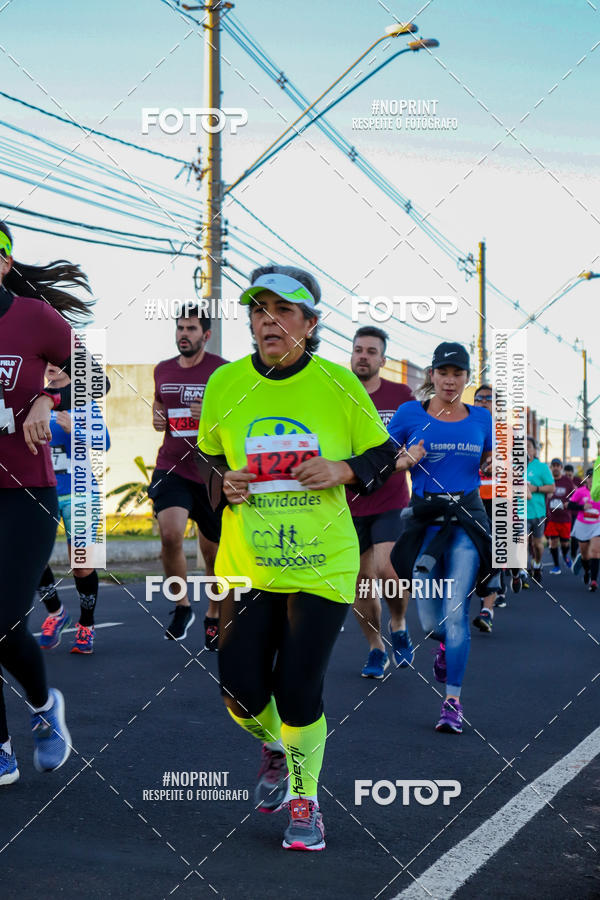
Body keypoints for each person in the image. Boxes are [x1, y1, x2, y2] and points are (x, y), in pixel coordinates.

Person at [196, 265, 410, 851]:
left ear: (310, 324)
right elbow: (206, 458)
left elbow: (384, 453)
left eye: (283, 311)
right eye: (259, 311)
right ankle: (274, 744)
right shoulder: (225, 384)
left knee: (297, 689)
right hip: (247, 562)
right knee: (240, 694)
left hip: (322, 561)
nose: (268, 321)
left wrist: (343, 469)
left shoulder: (340, 385)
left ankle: (304, 800)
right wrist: (225, 481)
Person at [0, 221, 101, 783]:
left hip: (25, 494)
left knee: (2, 620)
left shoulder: (35, 319)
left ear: (6, 264)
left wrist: (46, 396)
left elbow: (97, 378)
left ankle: (44, 709)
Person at [389, 342, 497, 735]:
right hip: (425, 521)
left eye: (458, 373)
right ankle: (442, 646)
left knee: (455, 615)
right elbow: (381, 458)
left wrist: (490, 460)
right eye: (444, 372)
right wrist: (404, 461)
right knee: (431, 619)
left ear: (467, 378)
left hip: (467, 519)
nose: (451, 380)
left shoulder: (481, 418)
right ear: (431, 375)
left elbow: (490, 458)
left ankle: (452, 701)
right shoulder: (409, 414)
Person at [149, 305, 227, 644]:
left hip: (211, 471)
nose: (184, 333)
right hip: (173, 466)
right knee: (170, 535)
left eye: (191, 328)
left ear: (205, 335)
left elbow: (237, 421)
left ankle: (213, 612)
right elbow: (159, 404)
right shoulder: (162, 369)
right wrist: (156, 415)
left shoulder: (223, 372)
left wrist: (211, 415)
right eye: (180, 328)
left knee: (213, 554)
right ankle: (182, 605)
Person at [348, 326, 415, 677]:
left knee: (386, 570)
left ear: (382, 359)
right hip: (349, 501)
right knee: (361, 581)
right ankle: (375, 649)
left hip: (390, 496)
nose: (363, 356)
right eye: (359, 349)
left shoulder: (401, 395)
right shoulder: (340, 392)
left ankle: (399, 622)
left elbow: (413, 440)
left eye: (371, 351)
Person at [37, 364, 111, 654]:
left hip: (80, 492)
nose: (51, 368)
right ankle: (56, 613)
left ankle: (86, 625)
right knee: (32, 558)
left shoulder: (84, 401)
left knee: (80, 566)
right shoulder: (35, 399)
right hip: (41, 491)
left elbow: (104, 442)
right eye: (48, 363)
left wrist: (74, 428)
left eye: (58, 363)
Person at [471, 384, 500, 628]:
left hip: (499, 500)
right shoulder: (467, 427)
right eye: (478, 398)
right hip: (471, 497)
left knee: (492, 553)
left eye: (489, 399)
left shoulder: (507, 434)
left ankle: (486, 611)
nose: (483, 402)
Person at [526, 437, 554, 586]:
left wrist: (534, 489)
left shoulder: (541, 467)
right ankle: (521, 573)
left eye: (528, 446)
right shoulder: (512, 466)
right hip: (519, 513)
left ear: (534, 450)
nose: (525, 449)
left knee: (537, 544)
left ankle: (537, 563)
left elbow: (551, 487)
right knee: (520, 543)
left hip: (538, 512)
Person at [570, 469, 600, 590]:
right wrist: (582, 507)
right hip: (582, 524)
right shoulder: (580, 492)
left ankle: (593, 581)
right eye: (590, 477)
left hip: (597, 525)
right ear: (586, 479)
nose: (592, 480)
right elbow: (570, 505)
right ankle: (586, 571)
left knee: (595, 552)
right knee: (585, 555)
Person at [545, 458, 575, 575]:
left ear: (561, 468)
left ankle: (565, 555)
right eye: (554, 465)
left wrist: (569, 502)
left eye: (558, 465)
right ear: (551, 468)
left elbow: (574, 495)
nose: (556, 467)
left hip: (565, 518)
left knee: (564, 543)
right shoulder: (547, 480)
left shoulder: (567, 481)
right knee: (553, 542)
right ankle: (556, 566)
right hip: (552, 518)